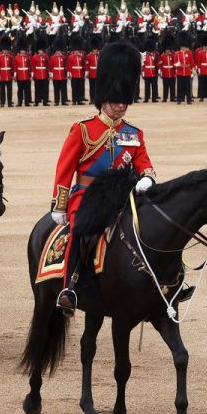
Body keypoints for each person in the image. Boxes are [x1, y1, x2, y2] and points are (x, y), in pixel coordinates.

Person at [51, 40, 156, 316]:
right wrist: (60, 205)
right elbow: (65, 169)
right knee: (81, 229)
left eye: (125, 101)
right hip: (88, 196)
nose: (121, 106)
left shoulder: (134, 133)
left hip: (124, 197)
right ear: (104, 97)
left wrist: (147, 179)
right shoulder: (83, 130)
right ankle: (70, 287)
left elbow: (146, 165)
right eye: (116, 101)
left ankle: (165, 282)